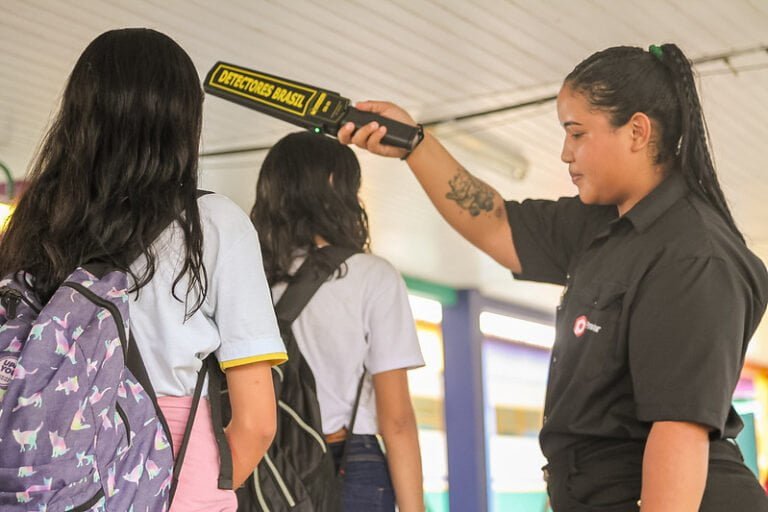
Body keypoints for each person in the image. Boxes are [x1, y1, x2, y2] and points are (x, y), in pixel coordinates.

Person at [338, 44, 768, 511]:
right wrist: (414, 145)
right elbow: (494, 222)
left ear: (637, 132)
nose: (565, 153)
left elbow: (679, 431)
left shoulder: (693, 256)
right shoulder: (601, 223)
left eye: (577, 133)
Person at [0, 28, 286, 511]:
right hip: (173, 468)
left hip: (48, 476)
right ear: (183, 118)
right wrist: (194, 486)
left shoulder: (39, 216)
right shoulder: (213, 224)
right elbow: (257, 421)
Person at [251, 131, 426, 512]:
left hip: (266, 464)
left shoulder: (248, 281)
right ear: (335, 187)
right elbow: (396, 420)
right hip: (348, 460)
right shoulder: (371, 276)